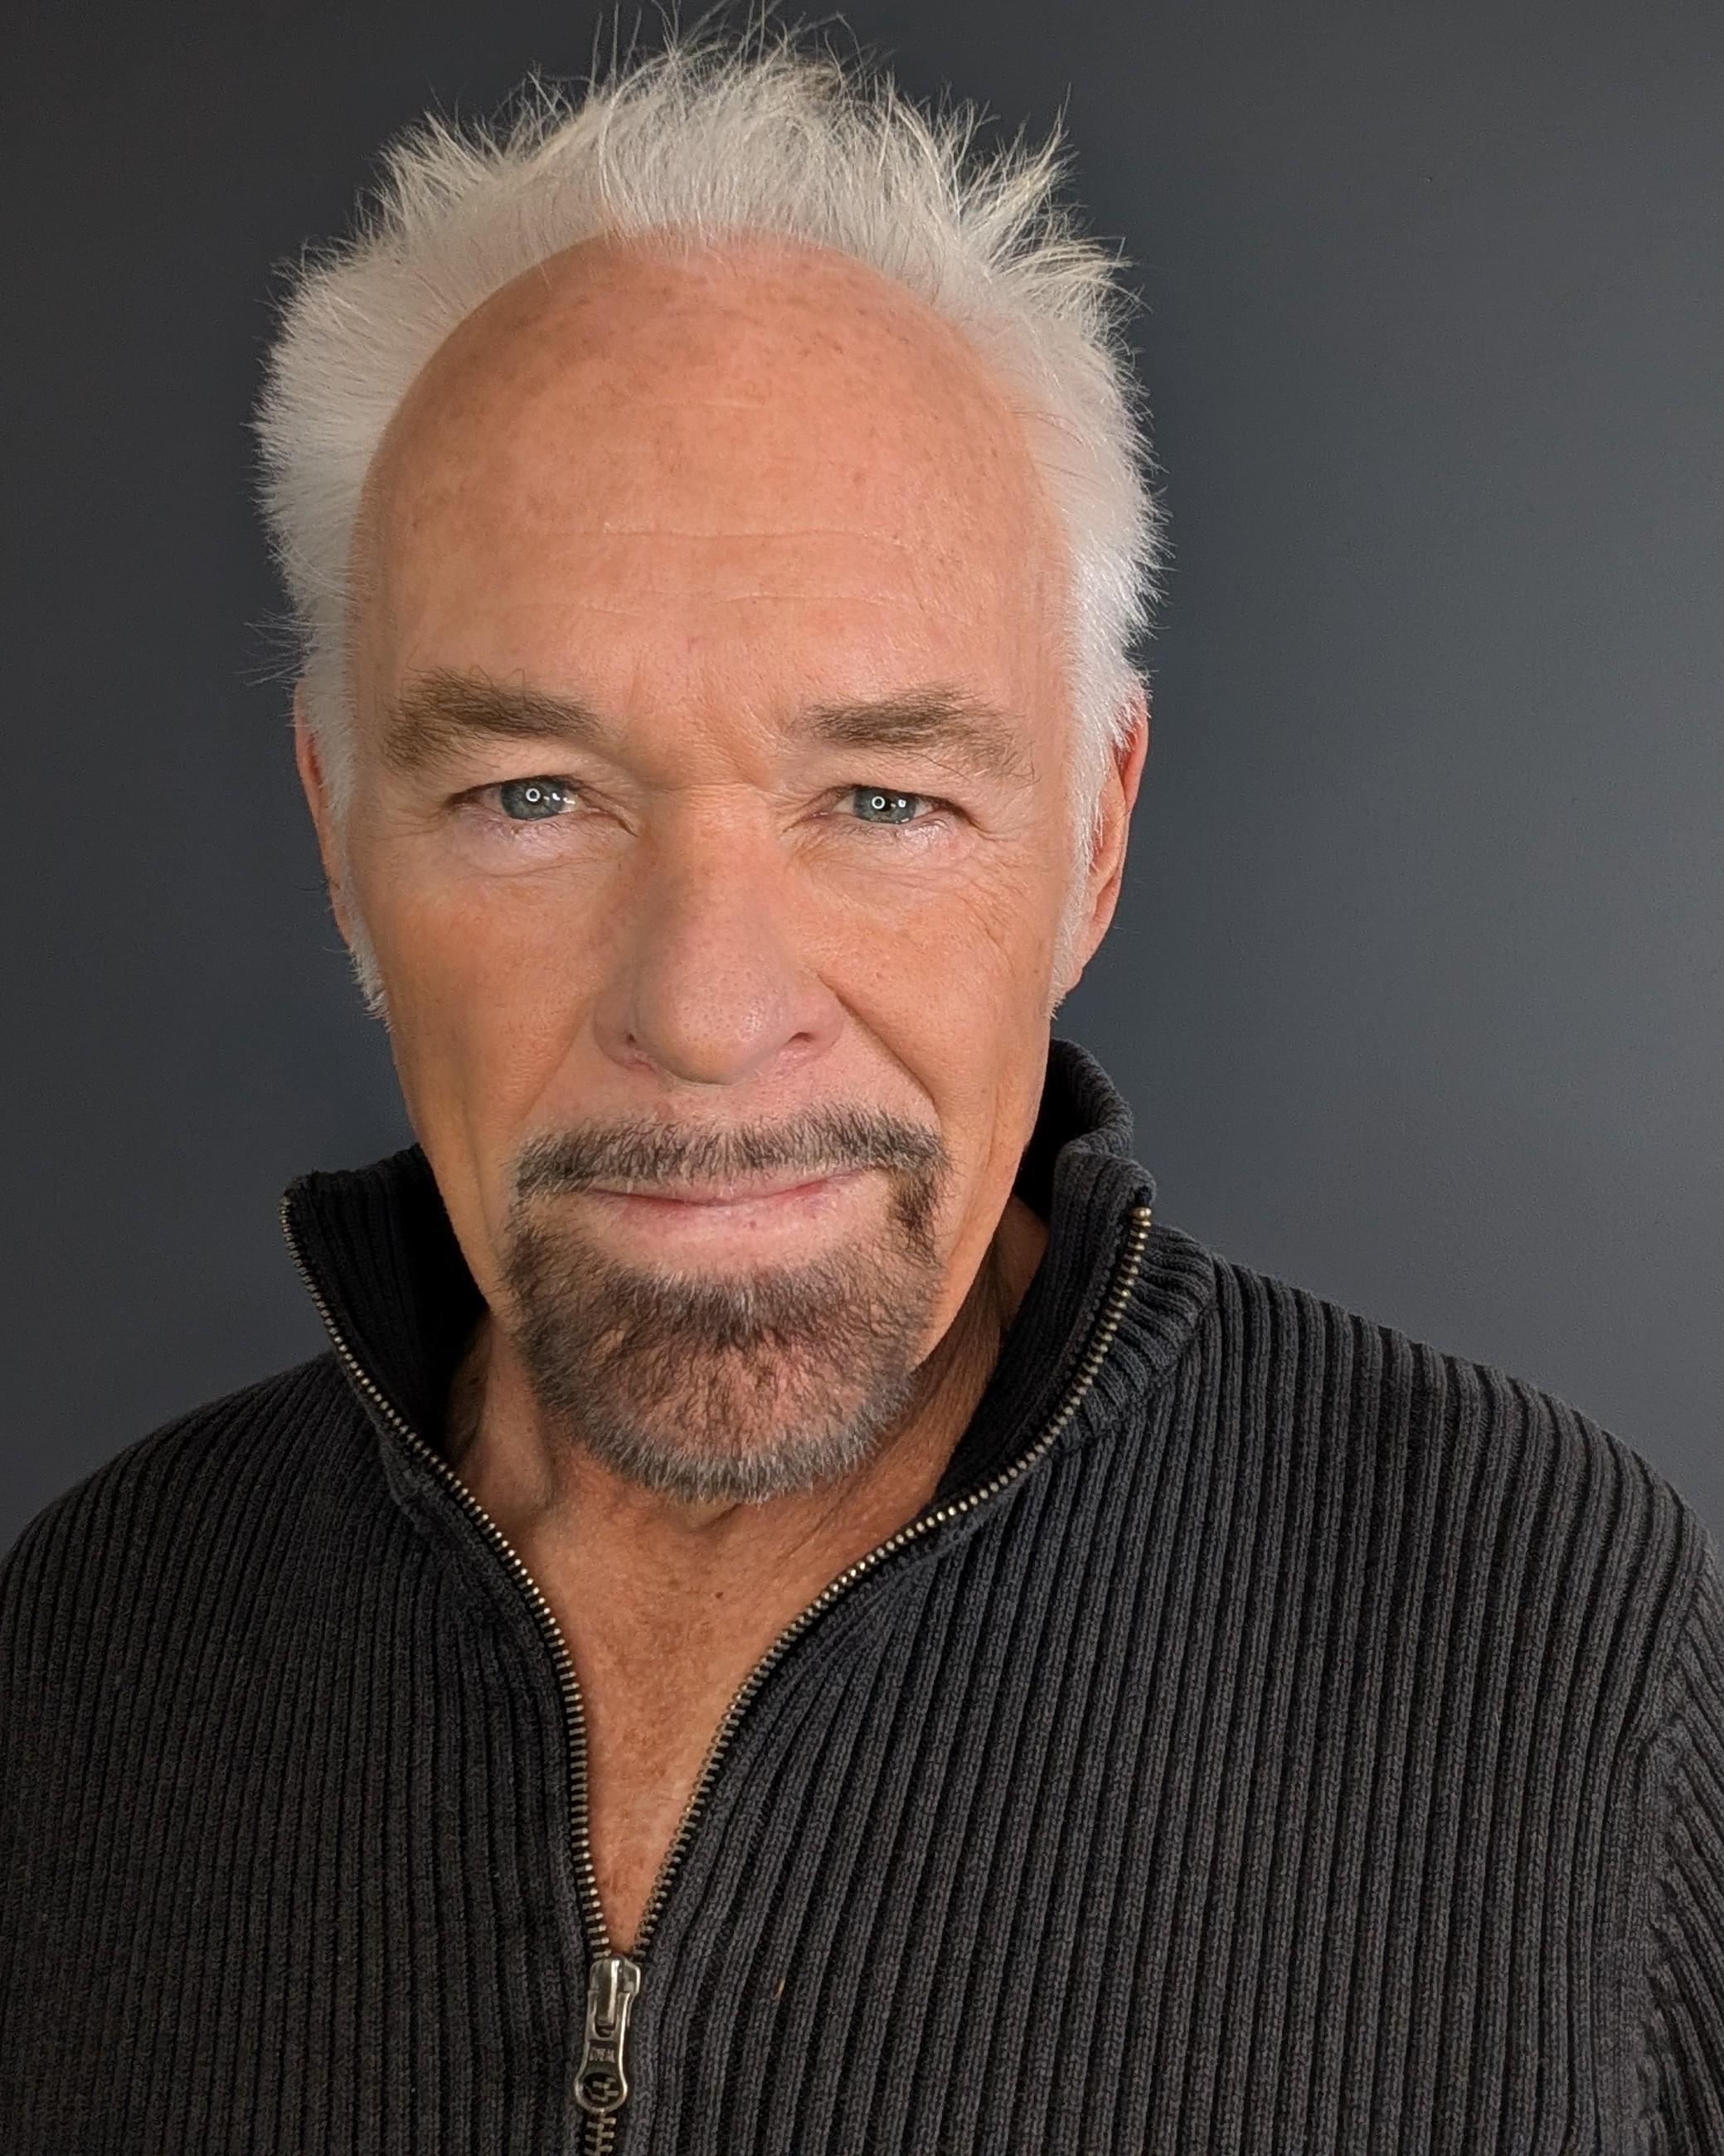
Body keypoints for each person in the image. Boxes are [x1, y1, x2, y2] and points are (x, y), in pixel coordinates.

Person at [2, 32, 1722, 2154]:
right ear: (340, 834)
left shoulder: (1557, 1647)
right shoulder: (85, 1651)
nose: (710, 1013)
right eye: (530, 793)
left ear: (1093, 836)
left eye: (884, 798)